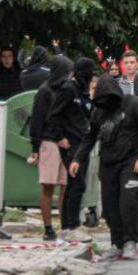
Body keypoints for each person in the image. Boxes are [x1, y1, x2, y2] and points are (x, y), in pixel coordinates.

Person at [70, 74, 138, 261]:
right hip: (108, 163)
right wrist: (77, 159)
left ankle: (130, 241)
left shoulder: (136, 105)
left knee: (129, 202)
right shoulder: (98, 111)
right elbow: (90, 137)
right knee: (110, 206)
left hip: (133, 163)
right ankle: (116, 243)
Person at [45, 57, 96, 243]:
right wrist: (60, 137)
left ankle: (68, 227)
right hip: (70, 143)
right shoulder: (68, 89)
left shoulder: (83, 91)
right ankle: (71, 226)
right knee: (77, 184)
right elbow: (53, 115)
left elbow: (86, 114)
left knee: (75, 185)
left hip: (82, 143)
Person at [28, 55, 73, 241]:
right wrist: (35, 147)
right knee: (48, 186)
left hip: (67, 142)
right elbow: (38, 120)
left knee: (65, 186)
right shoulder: (45, 91)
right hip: (49, 142)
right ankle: (48, 228)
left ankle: (64, 226)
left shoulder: (67, 90)